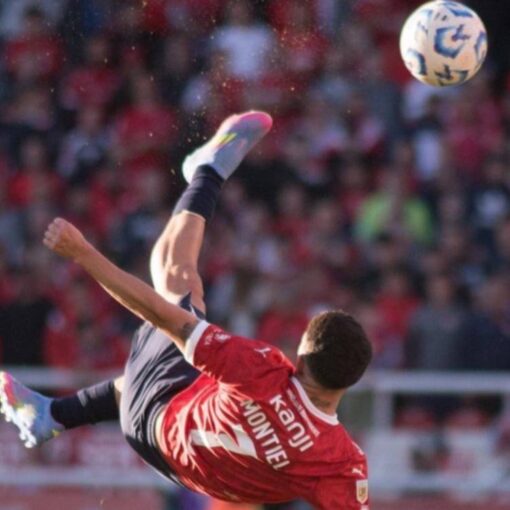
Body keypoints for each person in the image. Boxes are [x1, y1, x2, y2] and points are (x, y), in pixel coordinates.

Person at [0, 111, 373, 509]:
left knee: (179, 287)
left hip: (158, 420)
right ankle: (55, 415)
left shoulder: (263, 370)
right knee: (175, 365)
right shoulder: (342, 463)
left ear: (301, 356)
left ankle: (207, 173)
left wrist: (83, 253)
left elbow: (161, 315)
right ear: (350, 381)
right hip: (186, 468)